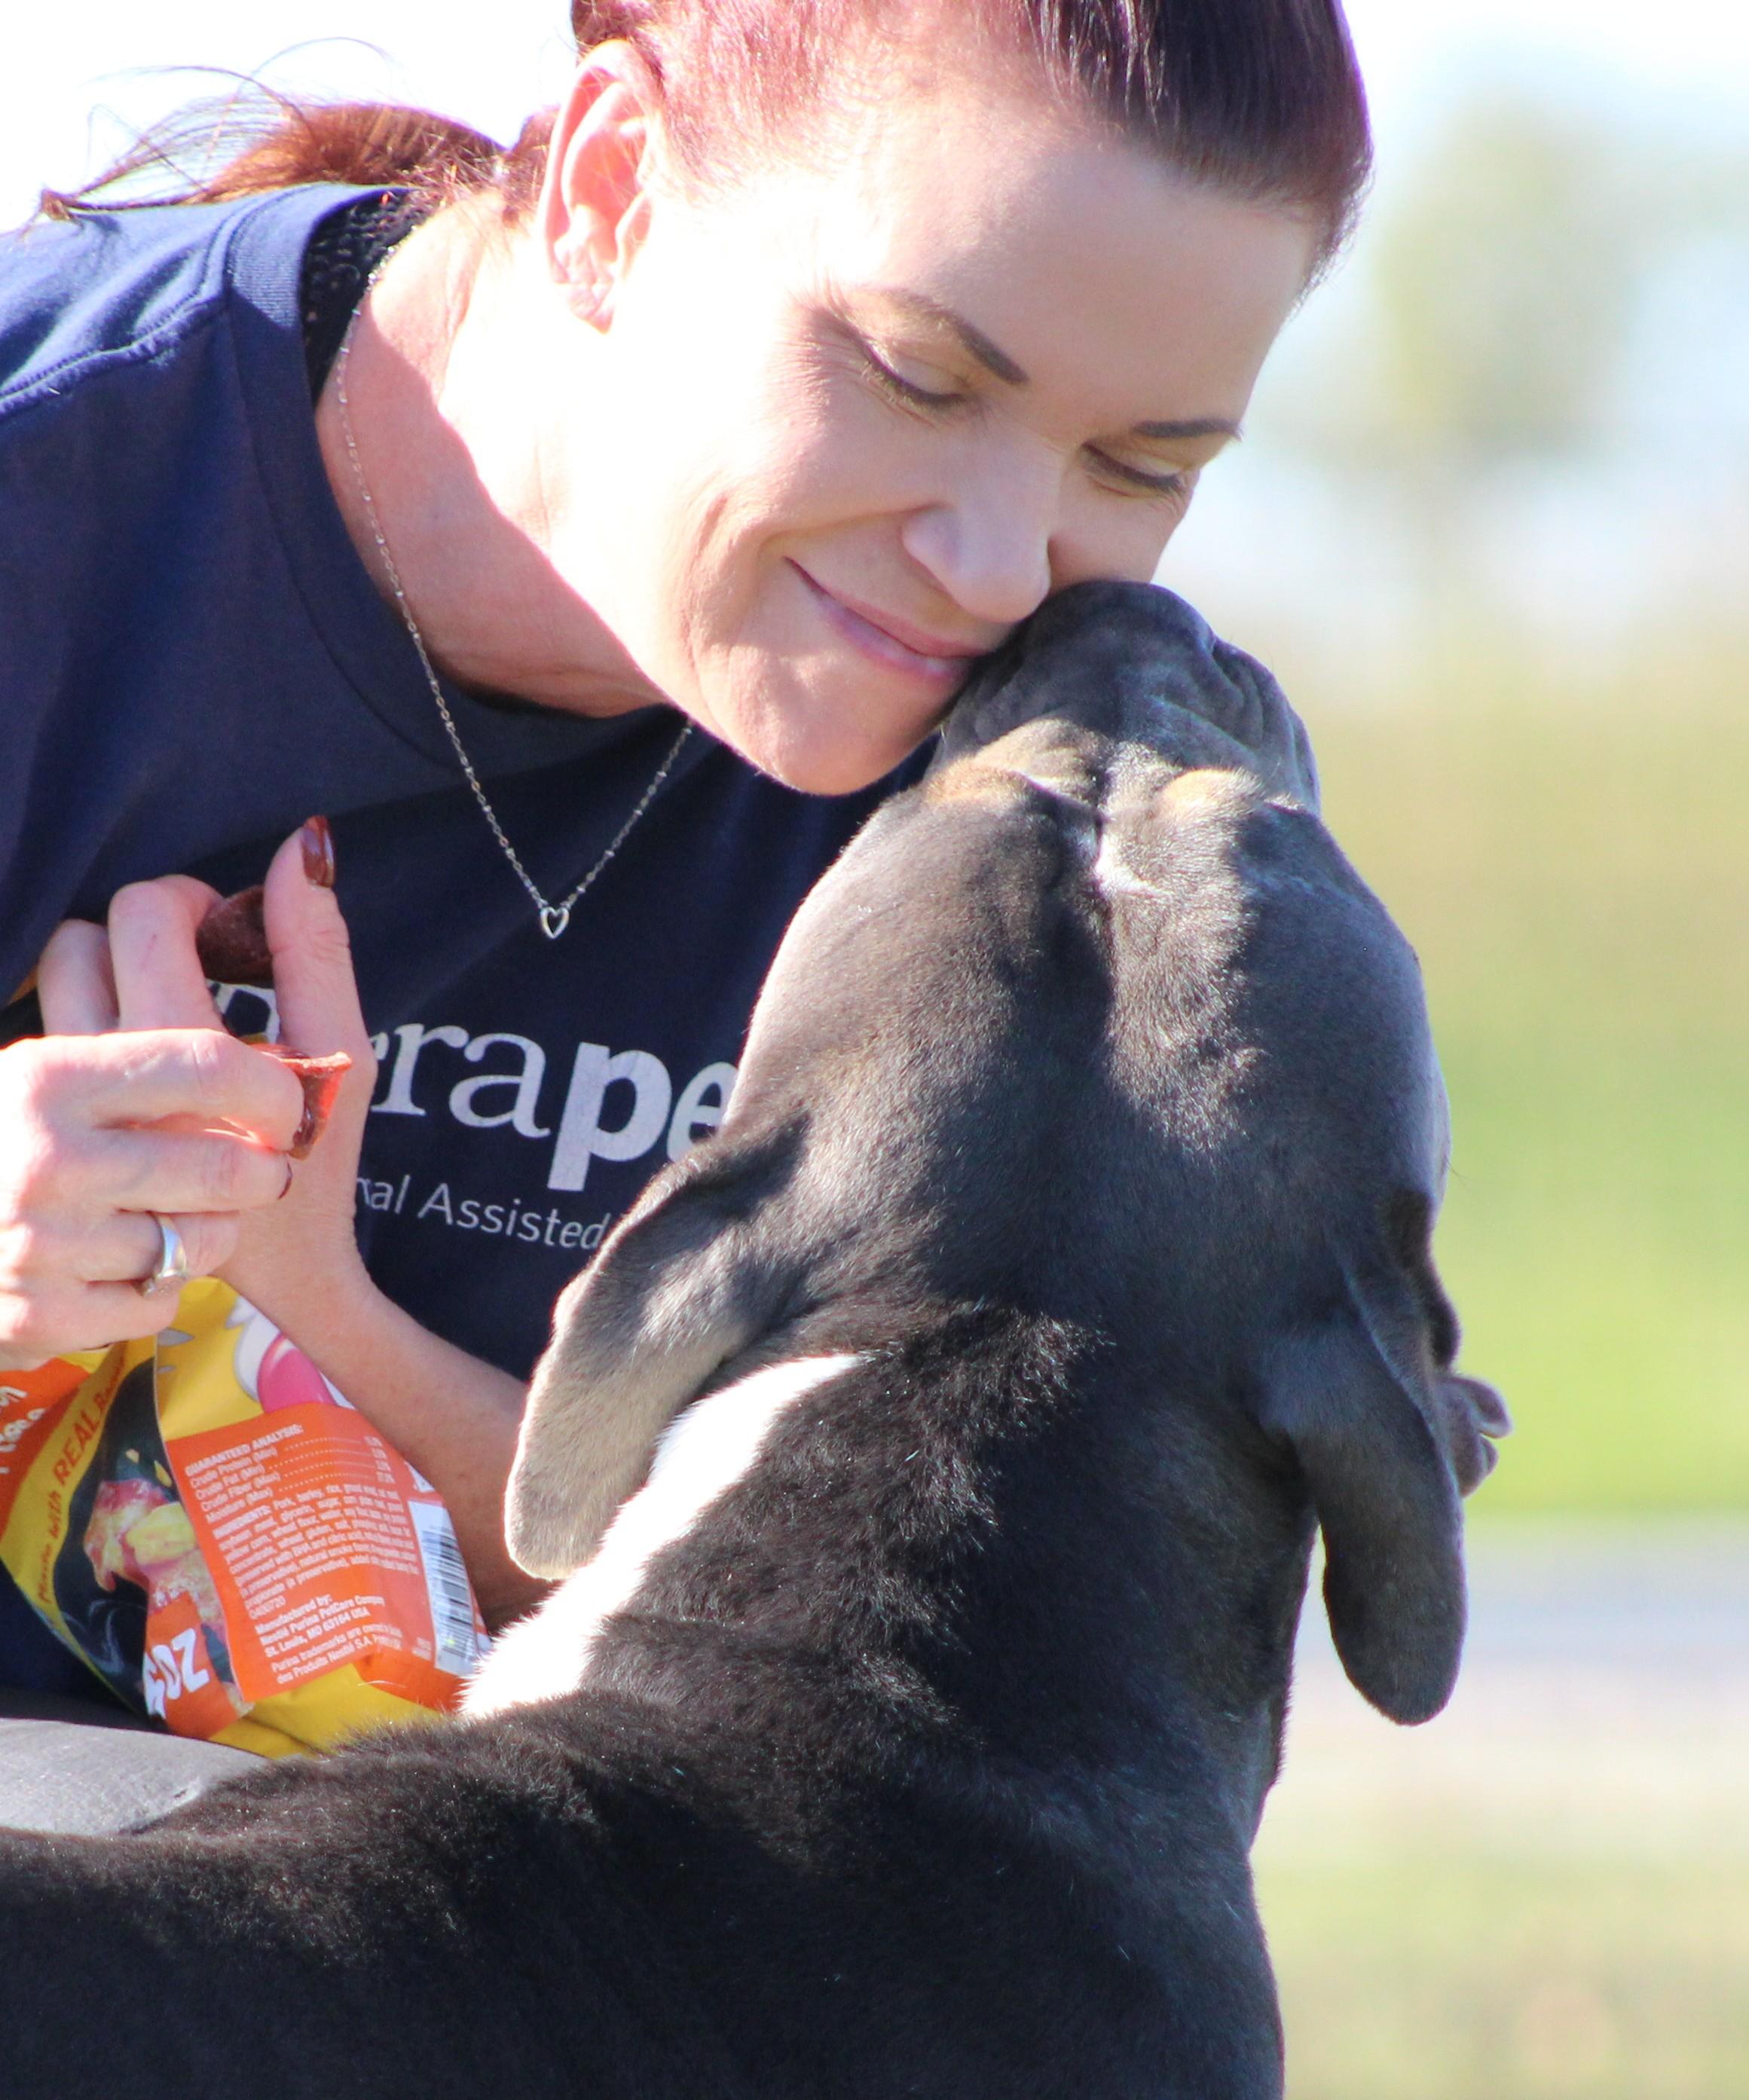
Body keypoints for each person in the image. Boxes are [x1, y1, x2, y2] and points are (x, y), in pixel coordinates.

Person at [0, 0, 1371, 1702]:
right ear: (610, 189)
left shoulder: (1057, 822)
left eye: (1138, 463)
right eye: (919, 378)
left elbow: (885, 1654)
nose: (1002, 566)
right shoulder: (46, 492)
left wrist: (318, 1318)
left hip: (499, 1908)